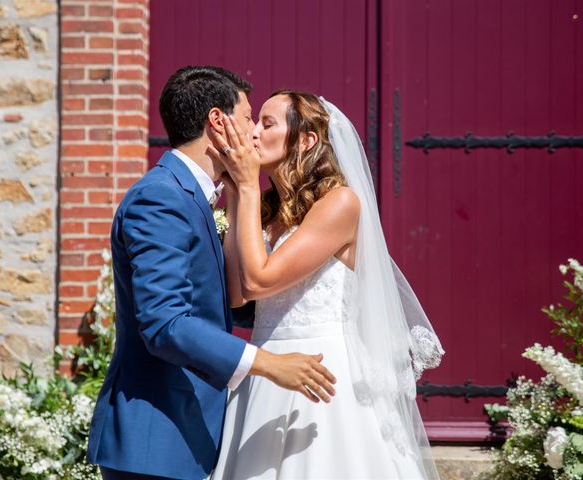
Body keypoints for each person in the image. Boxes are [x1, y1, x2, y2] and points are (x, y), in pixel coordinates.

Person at [86, 69, 336, 480]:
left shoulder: (198, 197)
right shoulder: (160, 198)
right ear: (218, 123)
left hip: (187, 434)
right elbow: (165, 322)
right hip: (156, 438)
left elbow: (222, 302)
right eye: (248, 116)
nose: (254, 131)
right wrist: (269, 364)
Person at [210, 91, 444, 479]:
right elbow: (237, 295)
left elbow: (257, 280)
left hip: (323, 375)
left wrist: (248, 186)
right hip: (267, 367)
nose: (252, 133)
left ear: (306, 141)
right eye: (255, 122)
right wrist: (237, 195)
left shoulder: (340, 204)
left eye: (267, 124)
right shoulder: (264, 208)